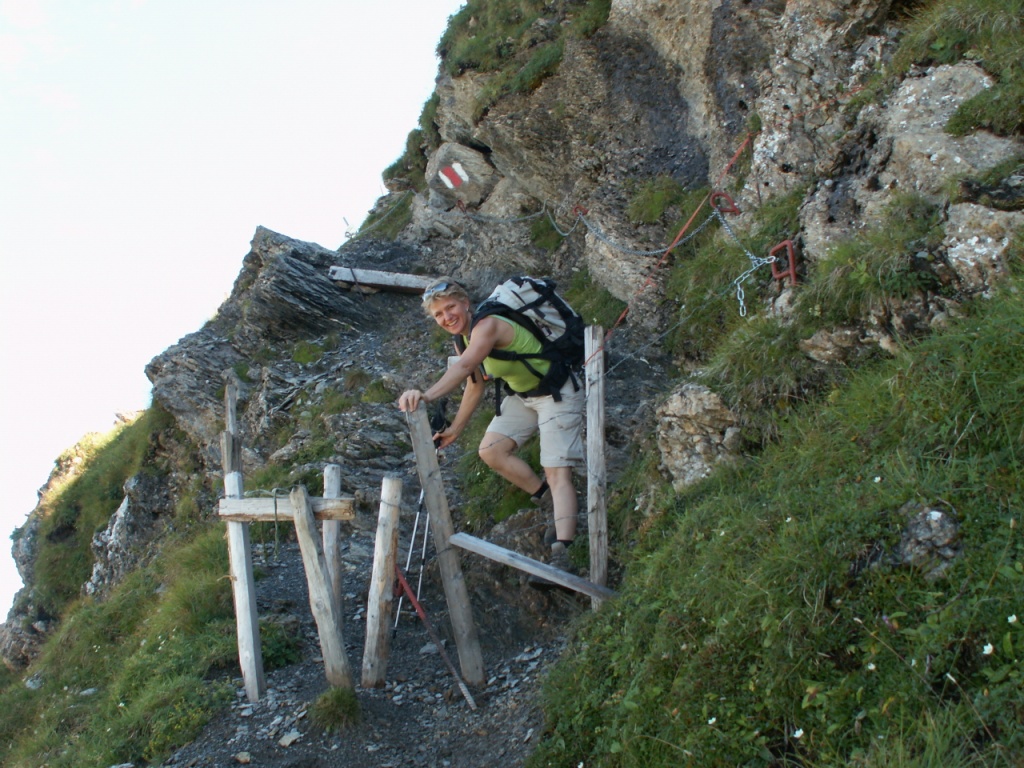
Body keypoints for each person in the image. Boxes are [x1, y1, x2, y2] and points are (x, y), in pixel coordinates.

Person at [397, 278, 584, 579]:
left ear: (466, 302)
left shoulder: (488, 325)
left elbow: (463, 368)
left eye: (450, 308)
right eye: (439, 315)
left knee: (556, 470)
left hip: (556, 392)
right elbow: (474, 386)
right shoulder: (462, 338)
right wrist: (455, 430)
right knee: (491, 451)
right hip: (524, 396)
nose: (447, 317)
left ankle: (564, 554)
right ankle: (549, 500)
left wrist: (425, 395)